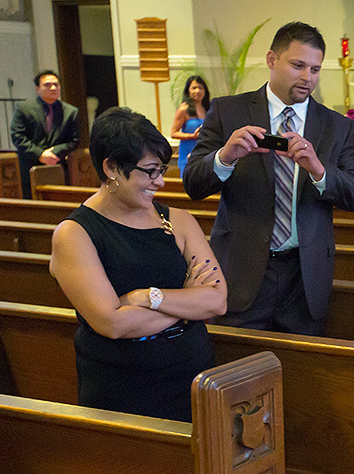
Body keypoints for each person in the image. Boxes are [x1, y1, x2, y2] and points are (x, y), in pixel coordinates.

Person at [183, 21, 354, 337]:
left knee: (302, 375)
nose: (308, 77)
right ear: (271, 60)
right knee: (237, 374)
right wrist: (225, 156)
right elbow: (193, 184)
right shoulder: (229, 111)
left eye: (315, 69)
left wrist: (317, 169)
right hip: (242, 270)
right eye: (298, 65)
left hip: (304, 276)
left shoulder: (337, 126)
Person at [48, 107, 226, 422]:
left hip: (194, 377)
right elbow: (113, 325)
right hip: (123, 389)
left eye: (163, 169)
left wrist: (149, 297)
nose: (159, 182)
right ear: (112, 167)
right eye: (150, 171)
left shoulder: (177, 221)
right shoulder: (75, 234)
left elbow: (217, 301)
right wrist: (186, 300)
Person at [10, 70, 80, 198]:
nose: (53, 88)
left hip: (57, 166)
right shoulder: (24, 108)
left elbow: (74, 141)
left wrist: (55, 151)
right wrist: (40, 154)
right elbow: (17, 136)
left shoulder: (71, 111)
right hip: (30, 167)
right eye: (47, 85)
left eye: (56, 85)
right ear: (37, 89)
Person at [171, 75, 210, 176]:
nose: (197, 91)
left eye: (201, 88)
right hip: (188, 152)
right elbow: (173, 133)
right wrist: (192, 136)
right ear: (188, 90)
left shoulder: (208, 108)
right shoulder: (184, 109)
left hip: (205, 152)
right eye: (194, 88)